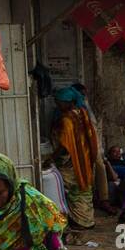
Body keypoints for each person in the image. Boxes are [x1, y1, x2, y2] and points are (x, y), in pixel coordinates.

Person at [50, 87, 100, 231]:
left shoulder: (67, 119)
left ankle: (79, 221)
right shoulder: (82, 113)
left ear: (68, 102)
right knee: (84, 188)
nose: (57, 105)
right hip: (85, 157)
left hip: (73, 161)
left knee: (72, 188)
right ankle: (88, 219)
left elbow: (65, 145)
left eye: (59, 102)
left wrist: (52, 158)